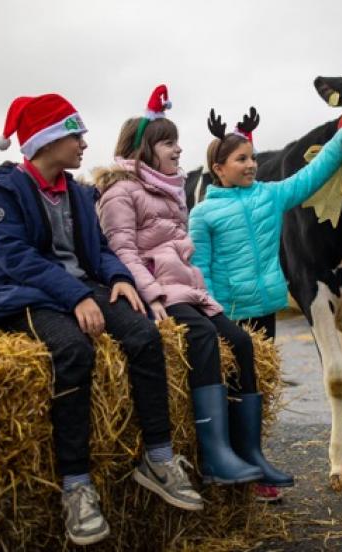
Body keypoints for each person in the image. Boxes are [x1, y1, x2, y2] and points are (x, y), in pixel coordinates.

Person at [0, 93, 202, 547]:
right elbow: (15, 258)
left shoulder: (78, 193)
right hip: (25, 295)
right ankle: (76, 486)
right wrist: (77, 296)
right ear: (47, 139)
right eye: (75, 134)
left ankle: (157, 459)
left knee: (142, 332)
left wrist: (119, 279)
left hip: (81, 287)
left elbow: (98, 249)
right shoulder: (2, 191)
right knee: (75, 351)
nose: (83, 142)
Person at [95, 85, 293, 503]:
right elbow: (123, 251)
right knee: (202, 340)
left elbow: (183, 253)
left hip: (187, 289)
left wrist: (202, 293)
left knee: (240, 341)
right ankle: (215, 454)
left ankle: (250, 452)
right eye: (169, 142)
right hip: (161, 293)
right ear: (144, 150)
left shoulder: (169, 190)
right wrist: (151, 297)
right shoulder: (120, 193)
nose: (179, 149)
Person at [189, 105, 342, 341]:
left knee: (261, 376)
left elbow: (312, 174)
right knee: (233, 377)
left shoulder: (270, 196)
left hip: (265, 310)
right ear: (219, 168)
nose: (252, 164)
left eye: (252, 157)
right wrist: (213, 317)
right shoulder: (202, 214)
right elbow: (200, 270)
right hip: (227, 316)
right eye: (241, 159)